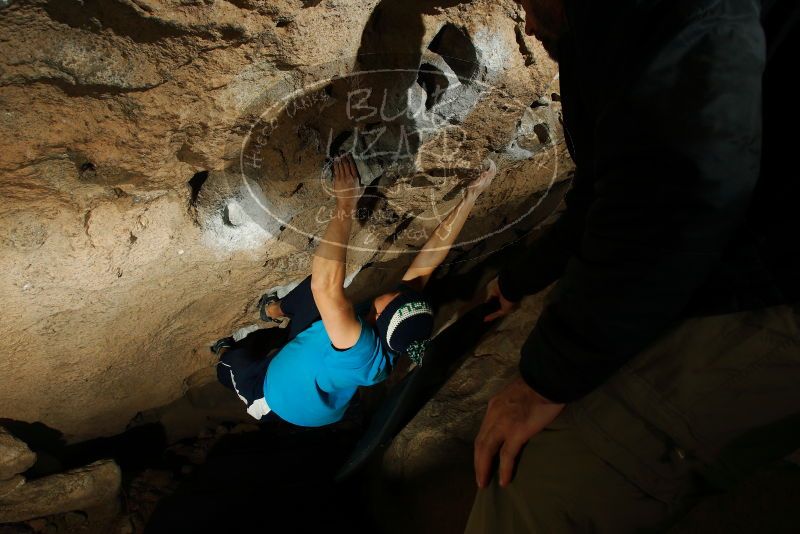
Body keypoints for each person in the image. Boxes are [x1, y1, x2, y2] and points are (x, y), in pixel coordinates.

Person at [469, 0, 800, 531]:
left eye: (529, 2)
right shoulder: (607, 37)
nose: (528, 25)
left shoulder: (655, 16)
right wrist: (517, 281)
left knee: (527, 486)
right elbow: (602, 189)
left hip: (766, 277)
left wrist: (545, 381)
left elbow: (680, 184)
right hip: (746, 257)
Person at [216, 153, 497, 427]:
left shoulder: (359, 345)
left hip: (280, 398)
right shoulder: (395, 332)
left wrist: (346, 202)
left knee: (230, 363)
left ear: (382, 317)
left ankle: (224, 350)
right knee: (321, 297)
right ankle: (273, 309)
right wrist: (470, 197)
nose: (405, 288)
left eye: (399, 297)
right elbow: (428, 263)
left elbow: (325, 285)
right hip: (318, 357)